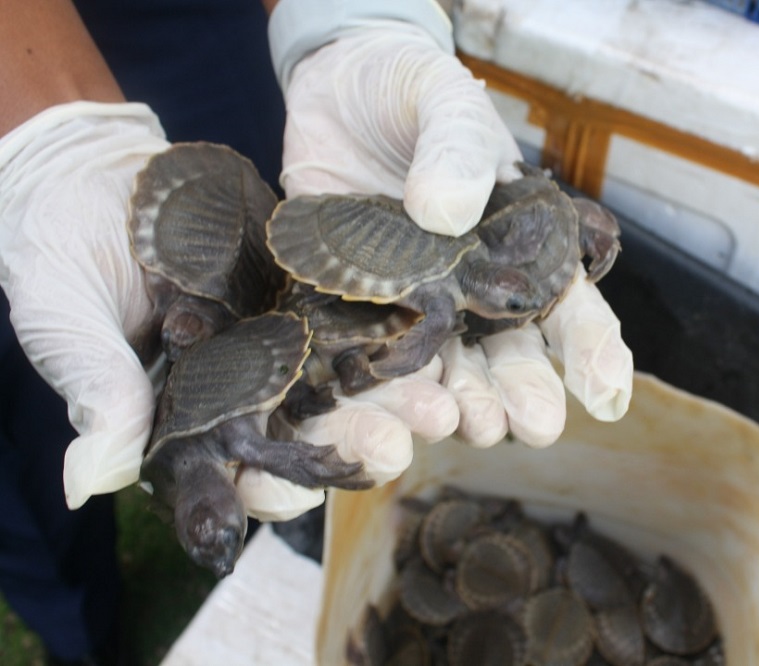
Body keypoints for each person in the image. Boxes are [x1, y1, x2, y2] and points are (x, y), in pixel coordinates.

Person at [0, 0, 634, 663]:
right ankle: (78, 635)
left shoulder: (452, 280)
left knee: (258, 231)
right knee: (38, 477)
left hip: (192, 30)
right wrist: (39, 134)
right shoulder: (435, 307)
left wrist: (345, 17)